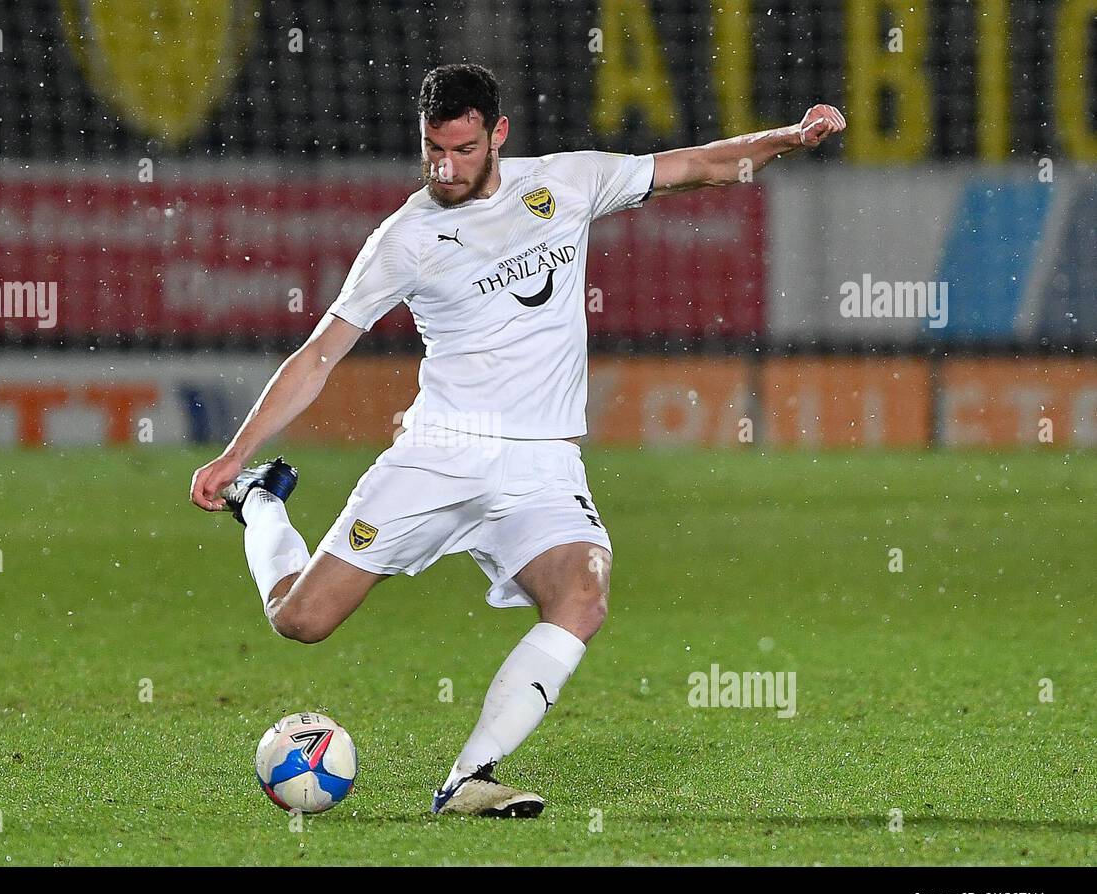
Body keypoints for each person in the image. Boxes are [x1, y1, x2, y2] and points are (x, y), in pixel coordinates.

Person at [191, 63, 845, 816]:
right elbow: (317, 357)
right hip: (441, 452)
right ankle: (263, 505)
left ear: (498, 133)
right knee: (300, 621)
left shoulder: (566, 183)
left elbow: (696, 167)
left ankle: (468, 778)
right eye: (433, 149)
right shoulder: (404, 239)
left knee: (583, 594)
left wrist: (791, 139)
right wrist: (236, 454)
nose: (445, 166)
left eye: (463, 149)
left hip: (542, 461)